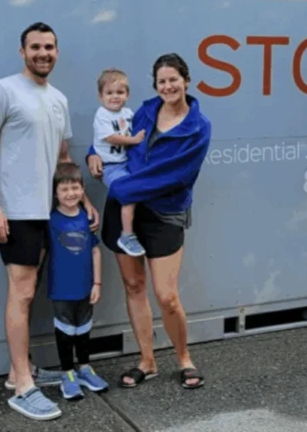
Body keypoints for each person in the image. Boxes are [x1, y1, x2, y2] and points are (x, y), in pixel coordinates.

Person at [0, 22, 99, 422]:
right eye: (36, 47)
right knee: (22, 293)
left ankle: (16, 371)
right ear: (22, 51)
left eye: (50, 47)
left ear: (57, 52)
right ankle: (24, 387)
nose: (43, 53)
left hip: (51, 213)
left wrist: (85, 198)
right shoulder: (4, 90)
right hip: (17, 212)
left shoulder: (58, 98)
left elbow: (63, 158)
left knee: (32, 290)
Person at [87, 53, 212, 390]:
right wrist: (92, 154)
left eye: (173, 79)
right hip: (126, 208)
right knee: (134, 286)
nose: (168, 86)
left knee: (166, 295)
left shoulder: (198, 127)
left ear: (186, 80)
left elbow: (174, 176)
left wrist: (121, 185)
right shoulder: (144, 111)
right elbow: (113, 140)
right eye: (161, 81)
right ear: (155, 86)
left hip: (161, 212)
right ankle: (148, 360)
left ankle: (184, 358)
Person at [46, 162, 109, 401]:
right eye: (65, 189)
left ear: (83, 190)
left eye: (75, 188)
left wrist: (97, 283)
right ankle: (67, 374)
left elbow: (95, 252)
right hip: (61, 289)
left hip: (86, 288)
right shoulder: (50, 221)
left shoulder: (87, 219)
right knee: (65, 331)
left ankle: (84, 368)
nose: (71, 193)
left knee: (83, 329)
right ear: (56, 194)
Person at [92, 68, 146, 257]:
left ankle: (134, 231)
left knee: (138, 192)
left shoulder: (129, 113)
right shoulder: (102, 115)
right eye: (109, 93)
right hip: (110, 166)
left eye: (120, 92)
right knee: (128, 194)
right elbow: (111, 138)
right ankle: (127, 235)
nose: (115, 97)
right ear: (100, 96)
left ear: (127, 94)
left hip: (126, 164)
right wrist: (134, 140)